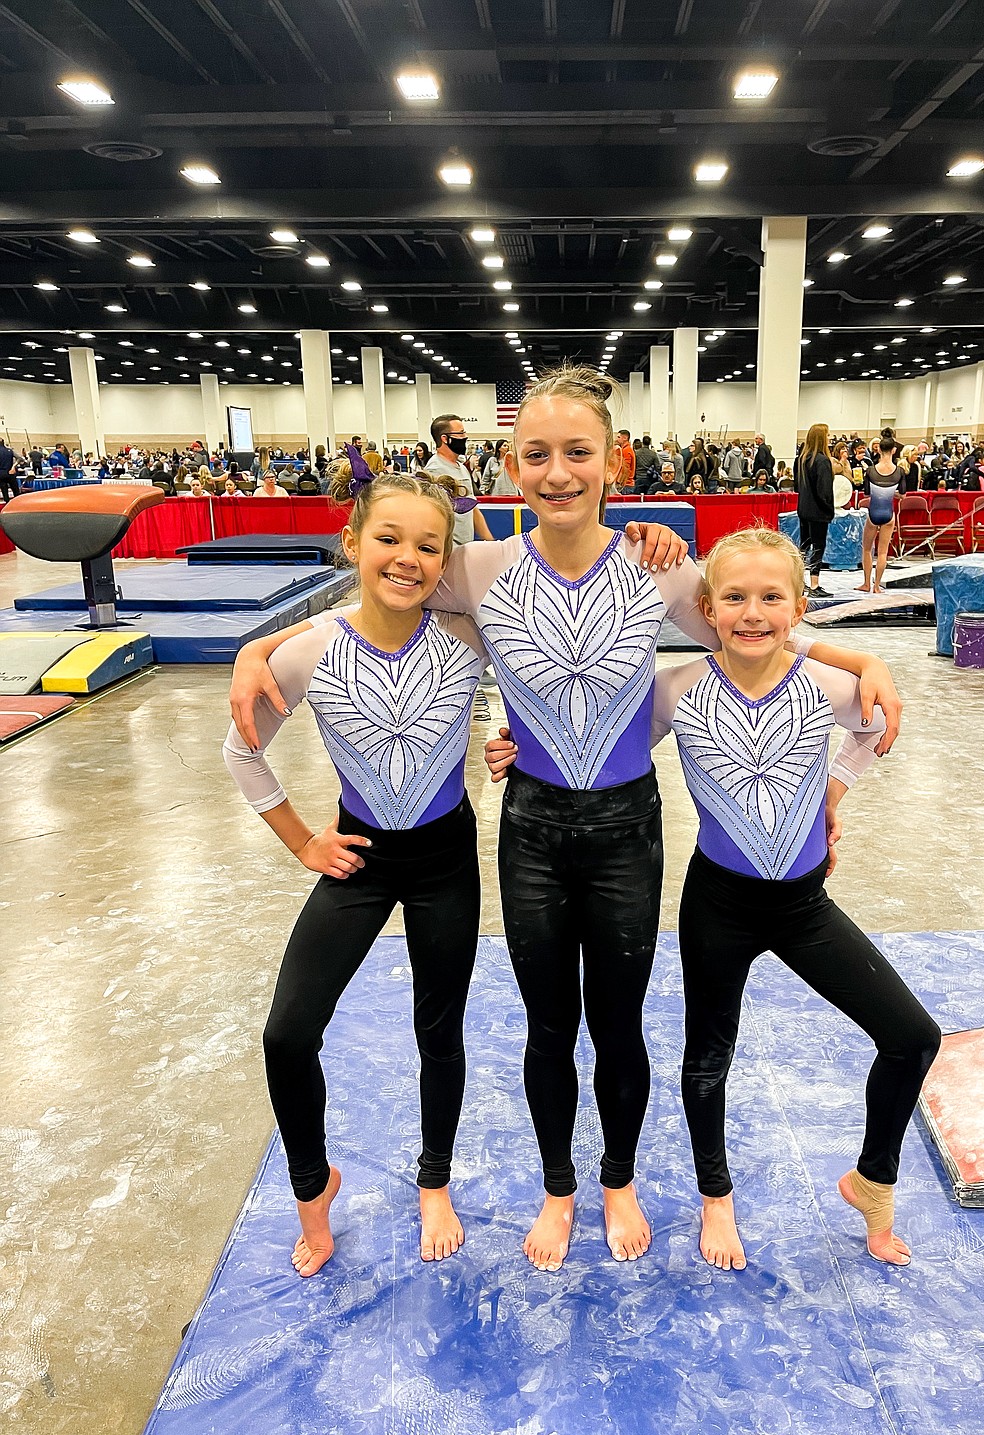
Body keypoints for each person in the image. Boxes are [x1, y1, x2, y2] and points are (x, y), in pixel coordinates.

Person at [233, 366, 904, 1276]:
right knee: (549, 1029)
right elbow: (375, 598)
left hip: (627, 829)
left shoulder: (658, 570)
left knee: (618, 1026)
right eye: (538, 455)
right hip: (534, 833)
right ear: (510, 465)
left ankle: (617, 1180)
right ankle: (560, 1188)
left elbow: (752, 618)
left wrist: (857, 657)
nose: (558, 472)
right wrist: (260, 645)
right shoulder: (475, 568)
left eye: (578, 452)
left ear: (612, 460)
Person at [651, 529, 940, 1269]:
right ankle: (717, 1200)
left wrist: (833, 789)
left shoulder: (828, 687)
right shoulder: (676, 691)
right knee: (708, 1058)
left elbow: (874, 728)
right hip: (718, 902)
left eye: (771, 597)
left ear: (799, 607)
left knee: (912, 1037)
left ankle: (872, 1184)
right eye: (736, 598)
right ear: (708, 608)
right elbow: (602, 747)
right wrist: (518, 747)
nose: (754, 613)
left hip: (803, 906)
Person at [223, 469, 487, 1274]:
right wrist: (304, 842)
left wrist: (512, 739)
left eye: (427, 546)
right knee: (288, 1033)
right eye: (389, 539)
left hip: (445, 857)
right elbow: (243, 751)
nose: (407, 558)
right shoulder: (311, 652)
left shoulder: (468, 640)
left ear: (446, 561)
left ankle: (432, 1181)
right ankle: (314, 1190)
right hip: (362, 857)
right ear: (352, 542)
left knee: (437, 1032)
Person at [425, 416, 493, 543]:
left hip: (465, 545)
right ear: (445, 439)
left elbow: (472, 508)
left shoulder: (461, 468)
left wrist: (490, 541)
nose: (465, 437)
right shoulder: (435, 470)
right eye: (461, 433)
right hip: (449, 549)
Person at [795, 422, 834, 598]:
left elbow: (797, 487)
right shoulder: (822, 461)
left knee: (804, 546)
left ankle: (798, 581)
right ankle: (815, 584)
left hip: (803, 509)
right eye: (828, 435)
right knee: (819, 546)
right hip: (818, 512)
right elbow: (824, 491)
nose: (830, 438)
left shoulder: (801, 460)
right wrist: (829, 509)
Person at [860, 438, 902, 593]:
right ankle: (877, 586)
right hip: (888, 513)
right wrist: (892, 492)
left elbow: (866, 493)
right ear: (894, 450)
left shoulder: (870, 471)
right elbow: (903, 495)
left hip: (873, 512)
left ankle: (866, 584)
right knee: (883, 552)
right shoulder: (899, 471)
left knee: (866, 549)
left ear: (878, 450)